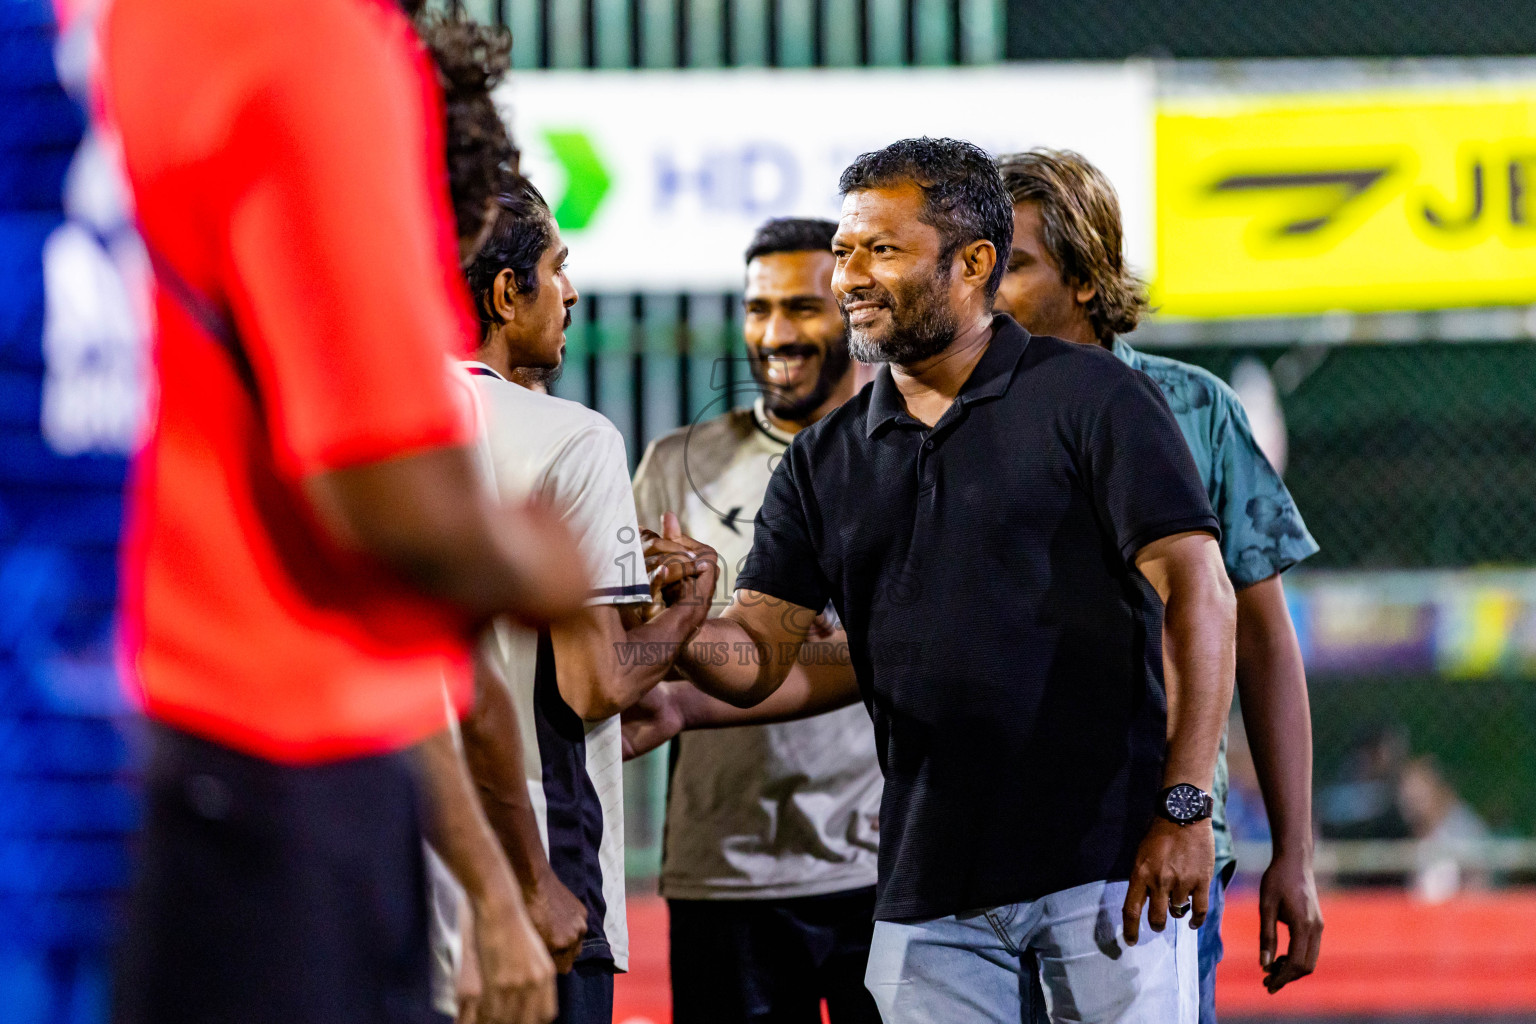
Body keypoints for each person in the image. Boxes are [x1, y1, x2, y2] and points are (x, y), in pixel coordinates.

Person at [633, 137, 1236, 1024]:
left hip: (1105, 871)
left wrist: (1184, 807)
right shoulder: (823, 458)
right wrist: (683, 632)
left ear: (974, 264)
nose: (852, 277)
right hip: (926, 890)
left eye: (883, 249)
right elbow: (763, 653)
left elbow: (1201, 595)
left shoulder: (1094, 400)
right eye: (846, 251)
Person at [100, 1, 591, 1021]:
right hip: (263, 760)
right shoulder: (304, 41)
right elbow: (393, 504)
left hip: (79, 733)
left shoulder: (86, 44)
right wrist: (540, 563)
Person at [990, 148, 1324, 1013]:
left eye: (1013, 265)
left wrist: (1293, 850)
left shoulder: (1196, 411)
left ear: (1089, 279)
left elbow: (1262, 642)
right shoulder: (949, 422)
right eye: (976, 263)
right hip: (983, 865)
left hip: (1150, 855)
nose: (984, 291)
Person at [461, 174, 721, 1024]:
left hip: (412, 872)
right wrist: (688, 607)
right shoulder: (570, 436)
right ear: (508, 293)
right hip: (546, 873)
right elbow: (593, 684)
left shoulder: (383, 425)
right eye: (558, 267)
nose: (570, 293)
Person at [631, 218, 882, 1024]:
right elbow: (633, 648)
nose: (776, 333)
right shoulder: (677, 461)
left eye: (804, 308)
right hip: (724, 867)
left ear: (850, 311)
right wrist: (699, 628)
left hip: (885, 861)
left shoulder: (911, 452)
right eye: (758, 308)